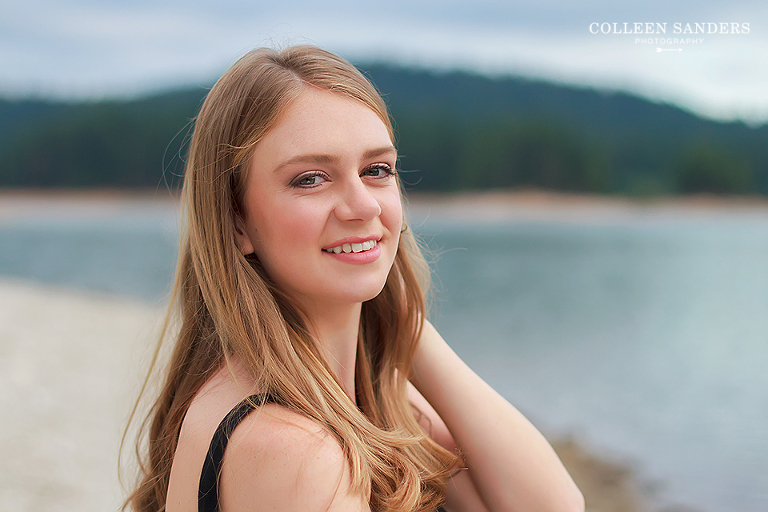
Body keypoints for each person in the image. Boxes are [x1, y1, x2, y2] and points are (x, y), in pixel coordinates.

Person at [125, 45, 584, 512]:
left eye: (377, 170)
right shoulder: (294, 450)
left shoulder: (364, 398)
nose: (363, 205)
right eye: (310, 179)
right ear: (236, 222)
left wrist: (408, 328)